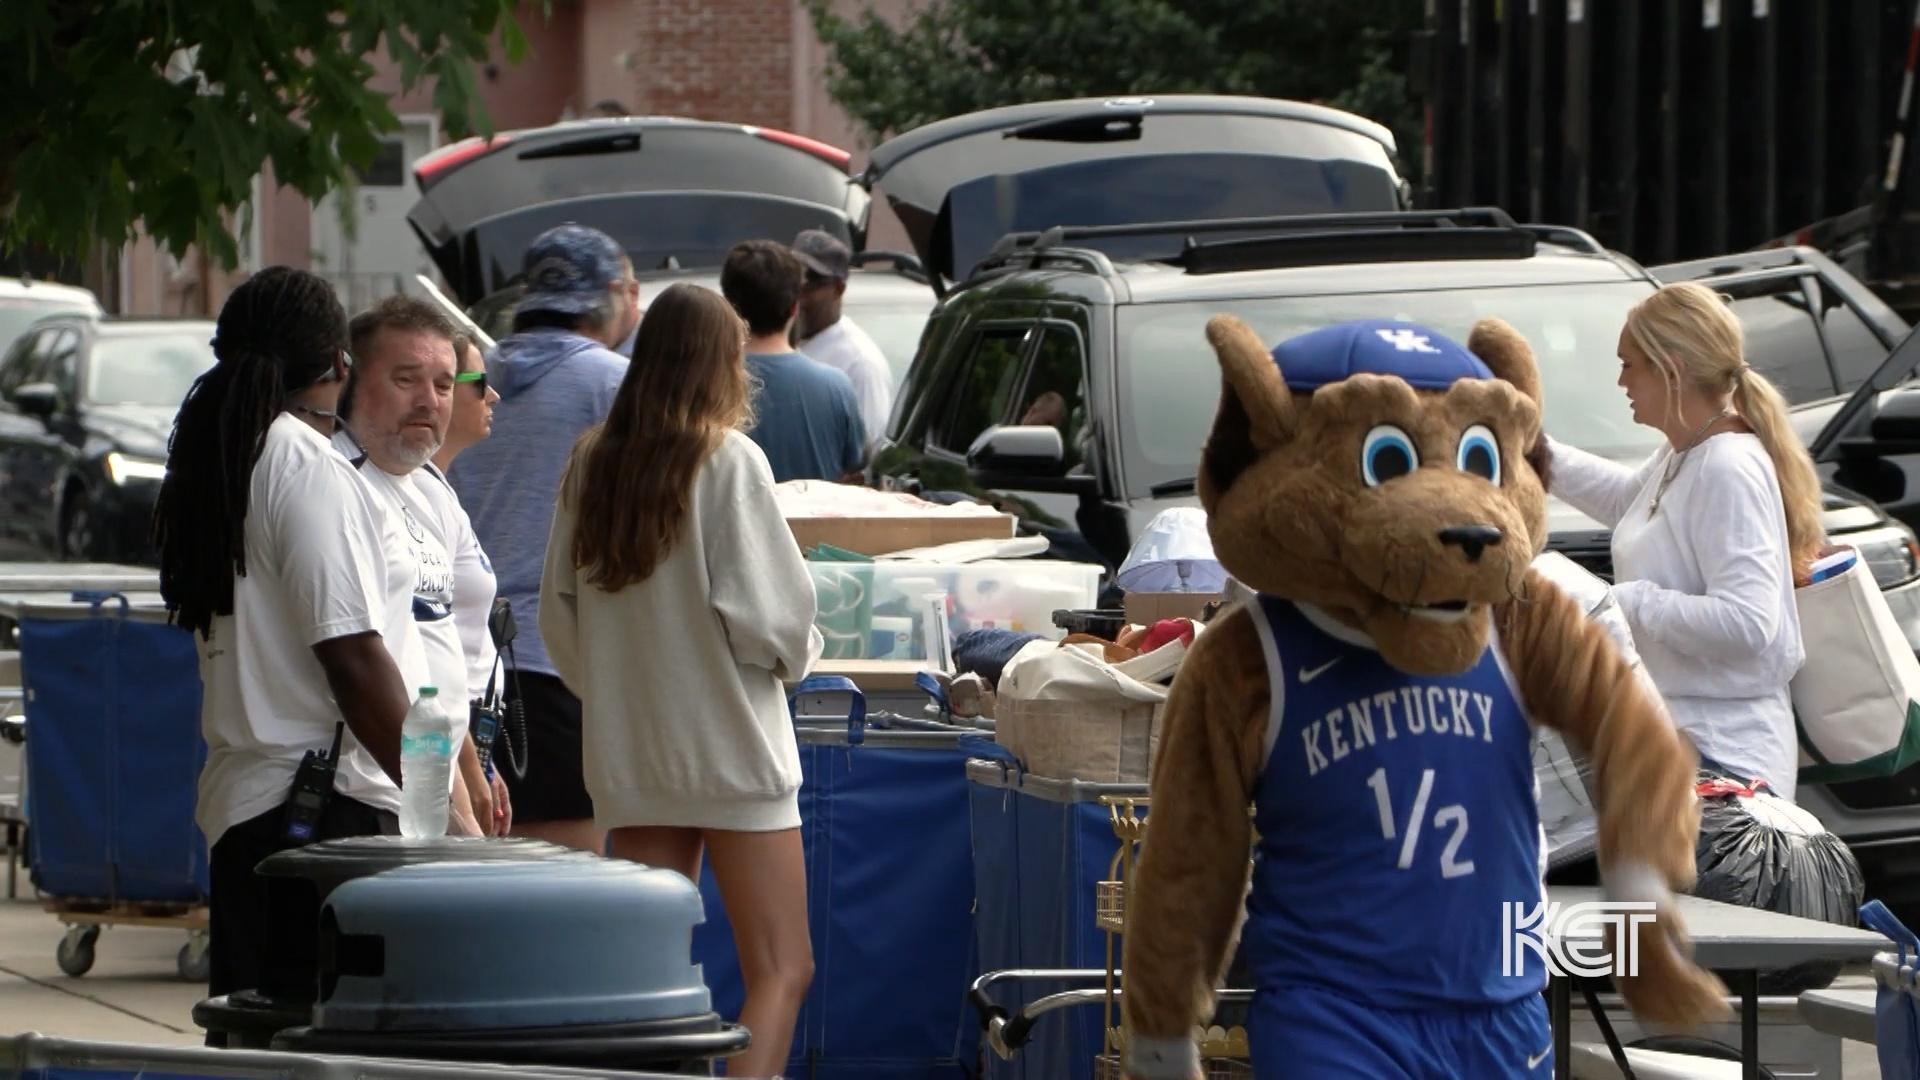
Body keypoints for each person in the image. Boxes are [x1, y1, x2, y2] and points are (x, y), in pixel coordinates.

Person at [539, 283, 822, 1077]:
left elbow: (559, 617)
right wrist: (801, 654)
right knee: (781, 967)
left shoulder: (592, 461)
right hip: (734, 751)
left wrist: (618, 692)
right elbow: (775, 621)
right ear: (723, 364)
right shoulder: (730, 460)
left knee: (646, 976)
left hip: (634, 756)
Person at [151, 267, 429, 1017]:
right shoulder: (305, 467)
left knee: (256, 1044)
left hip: (253, 807)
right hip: (320, 811)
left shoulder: (225, 454)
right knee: (327, 1047)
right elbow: (352, 654)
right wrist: (431, 807)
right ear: (339, 365)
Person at [1543, 281, 1820, 800]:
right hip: (1688, 746)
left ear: (1669, 370)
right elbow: (1628, 502)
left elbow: (1749, 623)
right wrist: (1531, 448)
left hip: (1728, 763)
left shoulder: (1727, 467)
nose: (1620, 380)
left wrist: (1624, 603)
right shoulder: (1689, 451)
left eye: (1629, 364)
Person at [448, 223, 634, 854]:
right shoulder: (614, 385)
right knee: (568, 879)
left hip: (461, 663)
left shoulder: (467, 378)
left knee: (481, 865)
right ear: (612, 294)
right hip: (561, 662)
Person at [334, 295, 487, 836]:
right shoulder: (336, 486)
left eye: (444, 385)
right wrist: (442, 802)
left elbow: (437, 644)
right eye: (406, 380)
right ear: (350, 380)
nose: (429, 400)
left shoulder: (431, 492)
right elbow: (358, 657)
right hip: (367, 794)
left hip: (434, 785)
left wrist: (467, 774)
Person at [431, 331, 511, 837]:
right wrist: (467, 771)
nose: (494, 395)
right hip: (441, 746)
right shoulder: (414, 492)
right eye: (479, 382)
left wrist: (483, 763)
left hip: (467, 740)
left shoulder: (439, 490)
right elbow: (425, 649)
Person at [720, 239, 866, 483]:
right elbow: (853, 472)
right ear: (794, 308)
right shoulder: (837, 388)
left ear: (727, 305)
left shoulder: (700, 384)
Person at [792, 229, 893, 449]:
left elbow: (867, 452)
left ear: (838, 289)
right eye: (793, 281)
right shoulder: (785, 344)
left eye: (810, 284)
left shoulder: (860, 364)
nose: (799, 295)